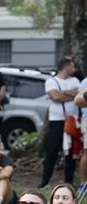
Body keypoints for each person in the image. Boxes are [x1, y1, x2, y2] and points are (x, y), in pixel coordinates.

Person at [39, 57, 80, 189]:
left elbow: (78, 94)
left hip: (72, 119)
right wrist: (71, 94)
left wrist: (63, 93)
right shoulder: (51, 81)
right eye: (72, 66)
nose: (74, 69)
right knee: (53, 150)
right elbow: (55, 97)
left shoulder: (75, 80)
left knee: (71, 151)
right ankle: (45, 181)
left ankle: (69, 181)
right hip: (57, 120)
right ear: (66, 67)